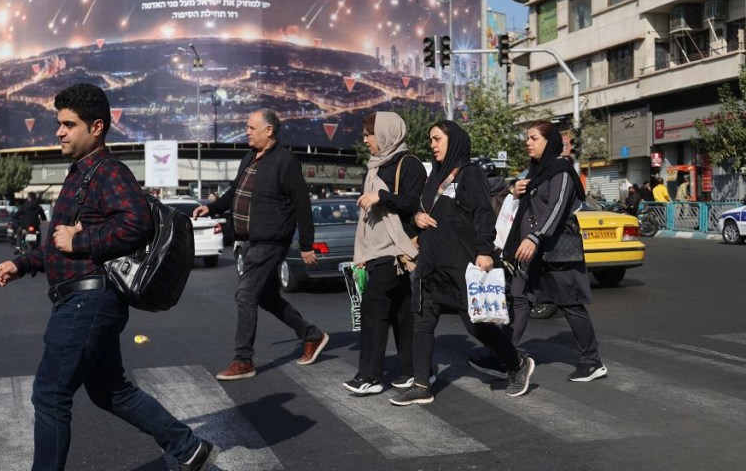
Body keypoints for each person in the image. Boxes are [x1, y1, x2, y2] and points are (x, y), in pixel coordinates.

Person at [0, 84, 217, 471]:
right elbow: (57, 241)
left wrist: (83, 242)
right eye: (58, 123)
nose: (59, 131)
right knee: (110, 390)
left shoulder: (109, 171)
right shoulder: (81, 173)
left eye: (68, 124)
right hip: (83, 300)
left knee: (50, 393)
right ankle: (190, 449)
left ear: (96, 127)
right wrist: (21, 264)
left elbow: (135, 224)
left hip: (88, 302)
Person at [391, 121, 534, 406]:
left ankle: (517, 363)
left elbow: (483, 214)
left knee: (475, 324)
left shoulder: (470, 174)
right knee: (422, 321)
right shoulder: (434, 177)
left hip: (461, 262)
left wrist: (484, 251)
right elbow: (422, 209)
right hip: (431, 262)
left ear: (453, 140)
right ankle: (421, 384)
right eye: (430, 140)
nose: (432, 145)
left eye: (437, 139)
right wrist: (416, 218)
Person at [192, 109, 328, 381]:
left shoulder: (285, 161)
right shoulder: (250, 158)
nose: (247, 131)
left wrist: (306, 244)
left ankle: (243, 360)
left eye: (252, 127)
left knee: (245, 294)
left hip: (271, 241)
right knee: (265, 297)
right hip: (249, 240)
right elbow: (235, 194)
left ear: (269, 131)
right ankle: (312, 335)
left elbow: (302, 203)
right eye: (247, 126)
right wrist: (212, 208)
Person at [476, 120, 606, 383]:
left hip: (558, 250)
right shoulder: (535, 171)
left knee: (570, 304)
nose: (528, 142)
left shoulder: (561, 171)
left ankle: (592, 362)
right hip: (532, 252)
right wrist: (517, 188)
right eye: (528, 138)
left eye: (534, 138)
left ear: (549, 142)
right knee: (519, 298)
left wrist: (535, 237)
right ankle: (505, 355)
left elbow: (556, 209)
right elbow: (526, 205)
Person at [342, 112, 427, 395]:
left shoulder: (409, 163)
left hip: (398, 250)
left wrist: (382, 197)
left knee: (373, 307)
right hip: (377, 249)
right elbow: (368, 220)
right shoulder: (375, 167)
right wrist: (362, 251)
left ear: (386, 134)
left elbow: (415, 203)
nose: (366, 140)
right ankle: (414, 371)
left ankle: (369, 376)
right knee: (402, 313)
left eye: (369, 134)